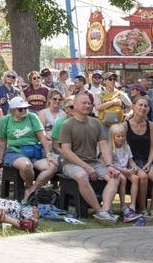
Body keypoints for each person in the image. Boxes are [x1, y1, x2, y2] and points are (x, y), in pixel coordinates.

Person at [59, 93, 120, 225]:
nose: (87, 105)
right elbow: (67, 152)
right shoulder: (67, 125)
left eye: (89, 103)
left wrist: (109, 165)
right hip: (71, 164)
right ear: (74, 105)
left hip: (94, 162)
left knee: (114, 176)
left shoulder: (96, 123)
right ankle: (99, 211)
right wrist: (87, 168)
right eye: (84, 103)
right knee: (81, 175)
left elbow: (104, 145)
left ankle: (105, 210)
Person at [0, 97, 58, 202]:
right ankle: (29, 186)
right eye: (20, 109)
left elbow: (42, 137)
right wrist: (1, 158)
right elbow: (3, 141)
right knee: (26, 165)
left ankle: (31, 191)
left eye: (26, 108)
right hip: (15, 152)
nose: (24, 111)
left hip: (34, 151)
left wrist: (48, 154)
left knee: (52, 166)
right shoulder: (5, 120)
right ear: (12, 110)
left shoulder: (32, 117)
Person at [125, 95, 153, 220]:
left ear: (148, 109)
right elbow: (123, 149)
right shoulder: (125, 125)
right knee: (142, 177)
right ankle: (142, 209)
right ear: (133, 107)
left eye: (145, 106)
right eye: (140, 105)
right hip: (130, 161)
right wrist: (132, 164)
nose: (143, 108)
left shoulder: (151, 125)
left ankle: (152, 210)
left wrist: (149, 162)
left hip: (146, 160)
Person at [108, 123, 144, 222]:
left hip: (125, 169)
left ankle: (132, 206)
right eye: (118, 136)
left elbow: (131, 161)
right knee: (123, 179)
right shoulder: (111, 148)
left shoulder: (126, 147)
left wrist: (134, 167)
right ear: (112, 137)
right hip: (117, 170)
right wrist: (122, 170)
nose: (121, 138)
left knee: (136, 178)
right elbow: (110, 164)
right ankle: (123, 206)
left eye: (123, 136)